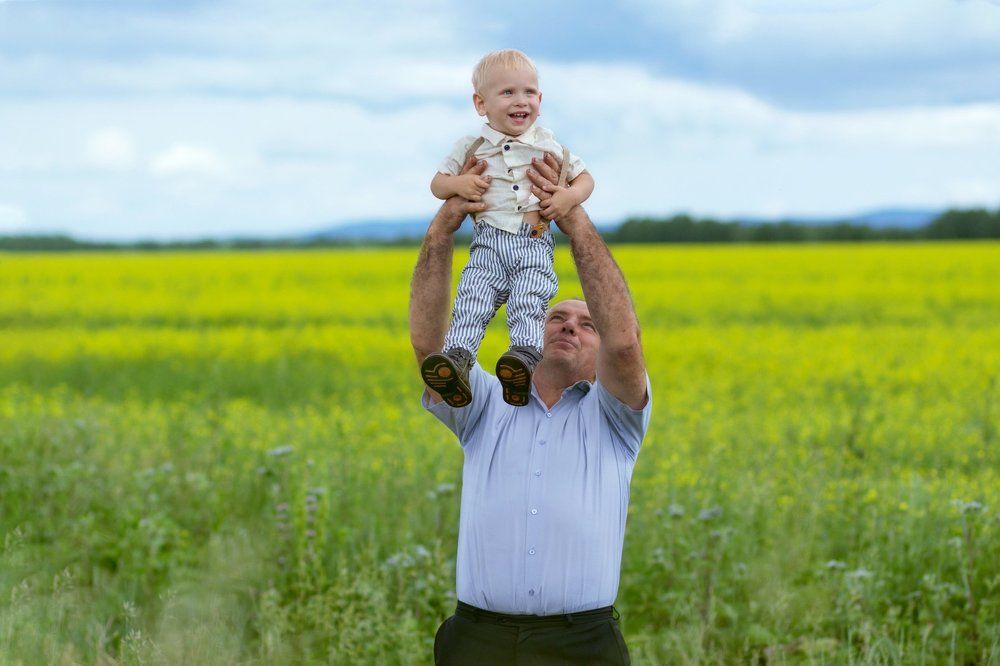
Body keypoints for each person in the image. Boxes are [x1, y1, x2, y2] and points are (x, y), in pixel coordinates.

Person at [410, 152, 651, 665]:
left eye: (587, 325)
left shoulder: (615, 419)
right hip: (477, 642)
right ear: (529, 328)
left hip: (581, 646)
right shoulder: (485, 404)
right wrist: (443, 226)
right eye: (556, 316)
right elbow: (428, 344)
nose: (569, 325)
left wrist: (571, 216)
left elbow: (625, 342)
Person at [423, 49, 595, 408]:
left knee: (529, 300)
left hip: (533, 241)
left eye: (529, 92)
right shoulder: (471, 147)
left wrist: (567, 198)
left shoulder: (549, 145)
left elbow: (586, 179)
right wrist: (458, 187)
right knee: (473, 298)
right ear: (480, 103)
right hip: (488, 244)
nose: (521, 101)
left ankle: (522, 360)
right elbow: (438, 184)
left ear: (540, 100)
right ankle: (457, 360)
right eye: (508, 93)